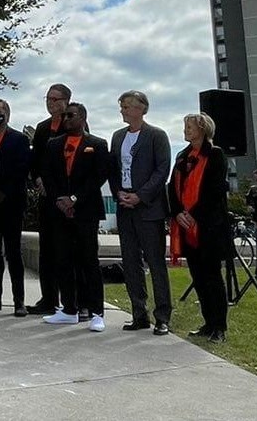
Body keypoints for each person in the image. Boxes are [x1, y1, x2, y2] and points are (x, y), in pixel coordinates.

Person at [108, 90, 172, 335]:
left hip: (149, 209)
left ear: (140, 108)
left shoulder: (156, 135)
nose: (122, 110)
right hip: (125, 207)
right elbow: (113, 168)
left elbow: (162, 170)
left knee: (155, 263)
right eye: (121, 106)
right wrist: (118, 193)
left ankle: (163, 316)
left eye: (126, 106)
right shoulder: (117, 136)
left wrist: (140, 195)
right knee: (130, 262)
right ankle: (139, 313)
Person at [42, 102, 109, 332]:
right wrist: (61, 200)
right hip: (60, 211)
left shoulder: (97, 144)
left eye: (71, 115)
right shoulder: (53, 145)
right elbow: (48, 175)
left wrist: (75, 199)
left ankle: (96, 312)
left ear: (82, 117)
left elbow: (99, 176)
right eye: (64, 116)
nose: (66, 119)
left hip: (86, 211)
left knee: (89, 261)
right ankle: (69, 309)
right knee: (62, 259)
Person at [168, 112, 229, 343]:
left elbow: (214, 191)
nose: (185, 130)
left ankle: (219, 326)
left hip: (208, 227)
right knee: (199, 277)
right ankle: (207, 322)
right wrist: (177, 212)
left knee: (212, 277)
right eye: (185, 126)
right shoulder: (182, 155)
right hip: (186, 225)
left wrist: (192, 214)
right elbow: (172, 188)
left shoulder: (215, 154)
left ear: (203, 129)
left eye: (189, 126)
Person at [0, 98, 31, 316]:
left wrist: (4, 192)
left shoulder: (19, 139)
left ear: (7, 114)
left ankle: (18, 300)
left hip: (11, 204)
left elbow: (21, 170)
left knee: (13, 254)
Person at [28, 83, 72, 314]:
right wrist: (38, 180)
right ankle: (48, 299)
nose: (51, 103)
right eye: (48, 98)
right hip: (46, 197)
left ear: (66, 101)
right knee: (47, 251)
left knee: (67, 251)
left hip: (66, 198)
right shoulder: (42, 128)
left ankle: (72, 302)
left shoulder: (73, 123)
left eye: (56, 99)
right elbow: (35, 161)